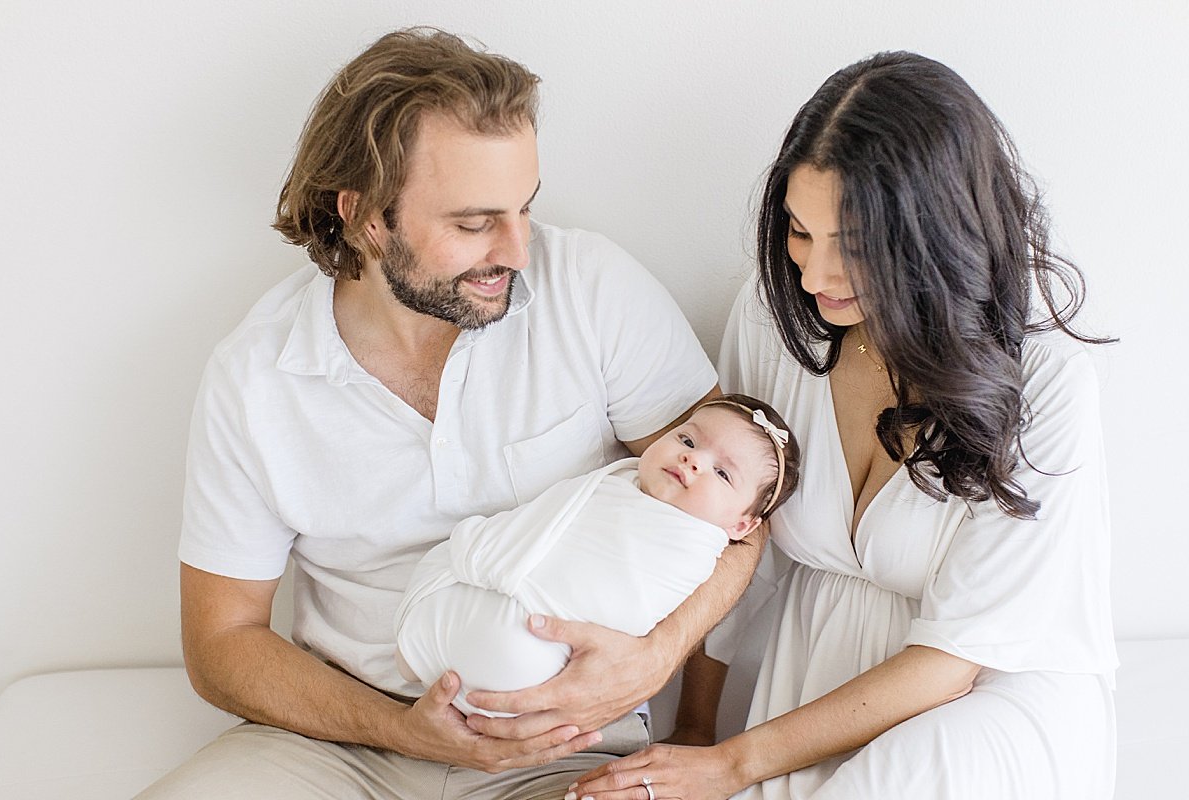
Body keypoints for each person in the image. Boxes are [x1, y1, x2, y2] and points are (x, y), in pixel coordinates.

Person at [137, 28, 764, 799]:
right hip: (345, 742)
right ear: (366, 215)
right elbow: (221, 642)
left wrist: (669, 675)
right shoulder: (256, 376)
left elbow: (743, 509)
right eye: (473, 224)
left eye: (524, 208)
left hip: (563, 746)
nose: (518, 250)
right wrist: (396, 728)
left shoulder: (594, 290)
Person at [568, 51, 1117, 800]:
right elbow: (738, 545)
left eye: (855, 249)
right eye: (799, 232)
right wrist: (695, 728)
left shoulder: (1044, 381)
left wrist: (734, 763)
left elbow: (957, 656)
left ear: (935, 237)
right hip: (817, 687)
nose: (815, 276)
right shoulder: (776, 321)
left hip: (988, 699)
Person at [396, 395, 800, 717]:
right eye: (688, 440)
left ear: (742, 527)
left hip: (533, 648)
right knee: (438, 565)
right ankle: (426, 641)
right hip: (476, 598)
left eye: (723, 473)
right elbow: (542, 517)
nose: (692, 459)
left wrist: (484, 557)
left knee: (515, 644)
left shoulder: (689, 550)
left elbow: (613, 594)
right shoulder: (620, 480)